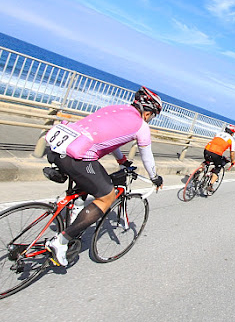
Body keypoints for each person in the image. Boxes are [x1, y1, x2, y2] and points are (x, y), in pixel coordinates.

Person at [44, 86, 164, 266]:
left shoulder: (113, 109)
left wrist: (122, 160)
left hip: (57, 148)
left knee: (86, 184)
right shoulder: (142, 126)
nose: (150, 119)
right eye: (152, 115)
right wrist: (155, 177)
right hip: (78, 158)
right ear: (148, 112)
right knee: (106, 197)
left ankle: (74, 211)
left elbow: (110, 138)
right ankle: (60, 241)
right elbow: (147, 156)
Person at [203, 123, 235, 190]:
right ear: (232, 133)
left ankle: (197, 172)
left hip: (207, 150)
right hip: (216, 154)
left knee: (206, 161)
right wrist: (233, 161)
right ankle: (210, 185)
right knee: (217, 168)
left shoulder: (218, 133)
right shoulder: (231, 140)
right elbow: (232, 153)